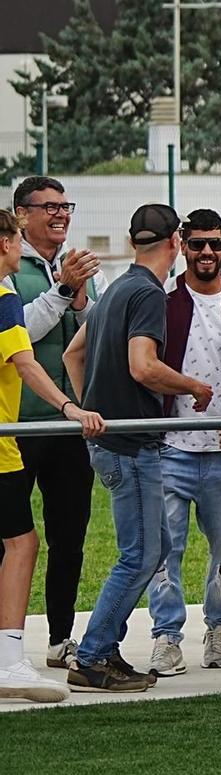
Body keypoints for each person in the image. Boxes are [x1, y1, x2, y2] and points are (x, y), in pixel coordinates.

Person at [65, 205, 215, 693]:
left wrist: (93, 408)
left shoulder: (115, 291)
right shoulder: (148, 292)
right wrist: (193, 386)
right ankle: (93, 656)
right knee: (143, 553)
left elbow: (75, 354)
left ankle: (101, 652)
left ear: (134, 242)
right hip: (129, 447)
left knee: (153, 548)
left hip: (113, 442)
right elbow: (143, 366)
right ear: (175, 243)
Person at [0, 208, 104, 703]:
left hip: (25, 442)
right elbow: (24, 362)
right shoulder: (4, 293)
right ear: (8, 240)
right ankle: (10, 660)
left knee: (47, 539)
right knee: (21, 544)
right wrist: (68, 406)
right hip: (8, 441)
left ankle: (46, 643)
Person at [145, 209, 221, 676]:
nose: (207, 252)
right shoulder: (161, 299)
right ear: (182, 245)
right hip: (171, 445)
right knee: (165, 551)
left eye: (215, 244)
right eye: (198, 244)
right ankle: (166, 636)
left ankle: (220, 627)